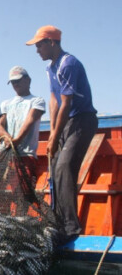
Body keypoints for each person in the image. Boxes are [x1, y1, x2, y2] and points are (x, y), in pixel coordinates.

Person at [26, 25, 98, 243]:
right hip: (66, 123)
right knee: (55, 167)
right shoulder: (50, 68)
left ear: (52, 42)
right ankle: (57, 222)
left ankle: (71, 228)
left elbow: (67, 103)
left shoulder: (69, 64)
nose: (37, 50)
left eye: (39, 45)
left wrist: (56, 137)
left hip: (82, 120)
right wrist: (52, 133)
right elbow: (54, 100)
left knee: (65, 166)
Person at [0, 66, 46, 209]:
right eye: (12, 82)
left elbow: (30, 120)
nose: (15, 84)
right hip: (4, 152)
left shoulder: (37, 101)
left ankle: (21, 219)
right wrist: (7, 138)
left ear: (28, 80)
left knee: (22, 193)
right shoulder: (5, 103)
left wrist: (17, 140)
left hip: (25, 154)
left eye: (18, 81)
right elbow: (0, 126)